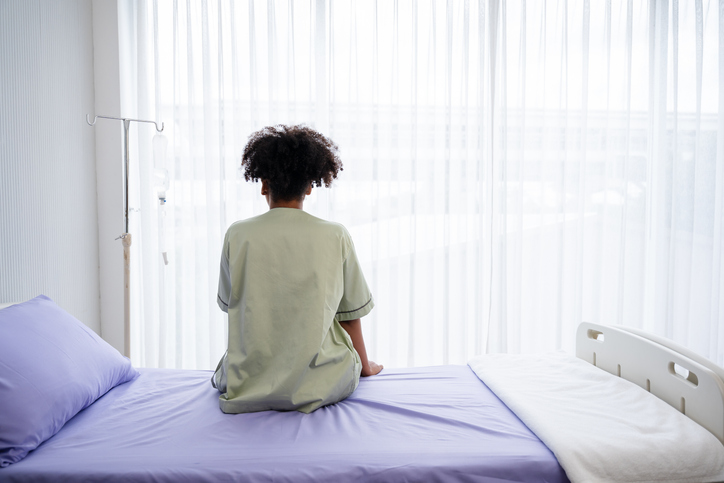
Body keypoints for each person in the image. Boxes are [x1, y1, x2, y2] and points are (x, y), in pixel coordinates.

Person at [212, 124, 383, 414]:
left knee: (222, 372)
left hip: (248, 381)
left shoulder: (238, 234)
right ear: (309, 187)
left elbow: (231, 305)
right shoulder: (335, 235)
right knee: (342, 362)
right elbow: (349, 316)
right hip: (321, 381)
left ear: (263, 184)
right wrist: (365, 367)